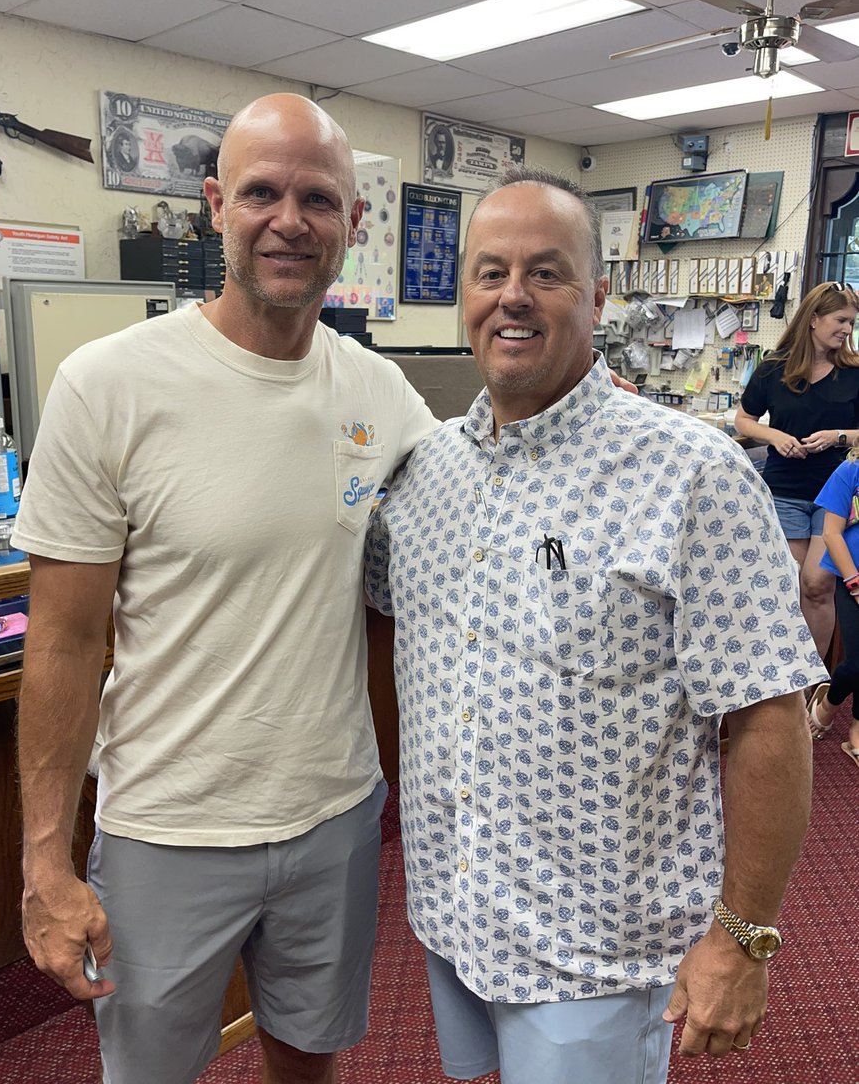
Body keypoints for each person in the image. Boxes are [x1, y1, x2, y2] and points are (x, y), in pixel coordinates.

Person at [14, 93, 438, 1084]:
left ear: (354, 224)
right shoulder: (106, 384)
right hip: (170, 829)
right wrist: (44, 861)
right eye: (261, 193)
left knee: (311, 1064)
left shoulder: (381, 392)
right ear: (216, 206)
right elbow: (65, 641)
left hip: (333, 818)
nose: (289, 219)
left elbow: (473, 518)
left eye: (318, 198)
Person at [365, 165, 819, 1084]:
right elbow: (389, 635)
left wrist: (743, 942)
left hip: (597, 947)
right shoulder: (423, 476)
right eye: (490, 273)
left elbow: (770, 715)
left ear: (599, 293)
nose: (513, 297)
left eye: (547, 271)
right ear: (464, 295)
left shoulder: (690, 473)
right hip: (456, 908)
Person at [734, 281, 859, 660]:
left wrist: (839, 436)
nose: (847, 330)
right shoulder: (773, 367)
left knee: (817, 583)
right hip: (784, 490)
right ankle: (785, 673)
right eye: (841, 320)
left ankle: (811, 679)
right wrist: (774, 436)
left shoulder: (854, 371)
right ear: (813, 319)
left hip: (836, 495)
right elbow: (744, 420)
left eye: (852, 323)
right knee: (788, 585)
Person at [809, 443, 859, 762]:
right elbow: (831, 533)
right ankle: (829, 701)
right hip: (851, 576)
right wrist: (854, 583)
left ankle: (857, 723)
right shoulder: (849, 472)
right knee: (856, 662)